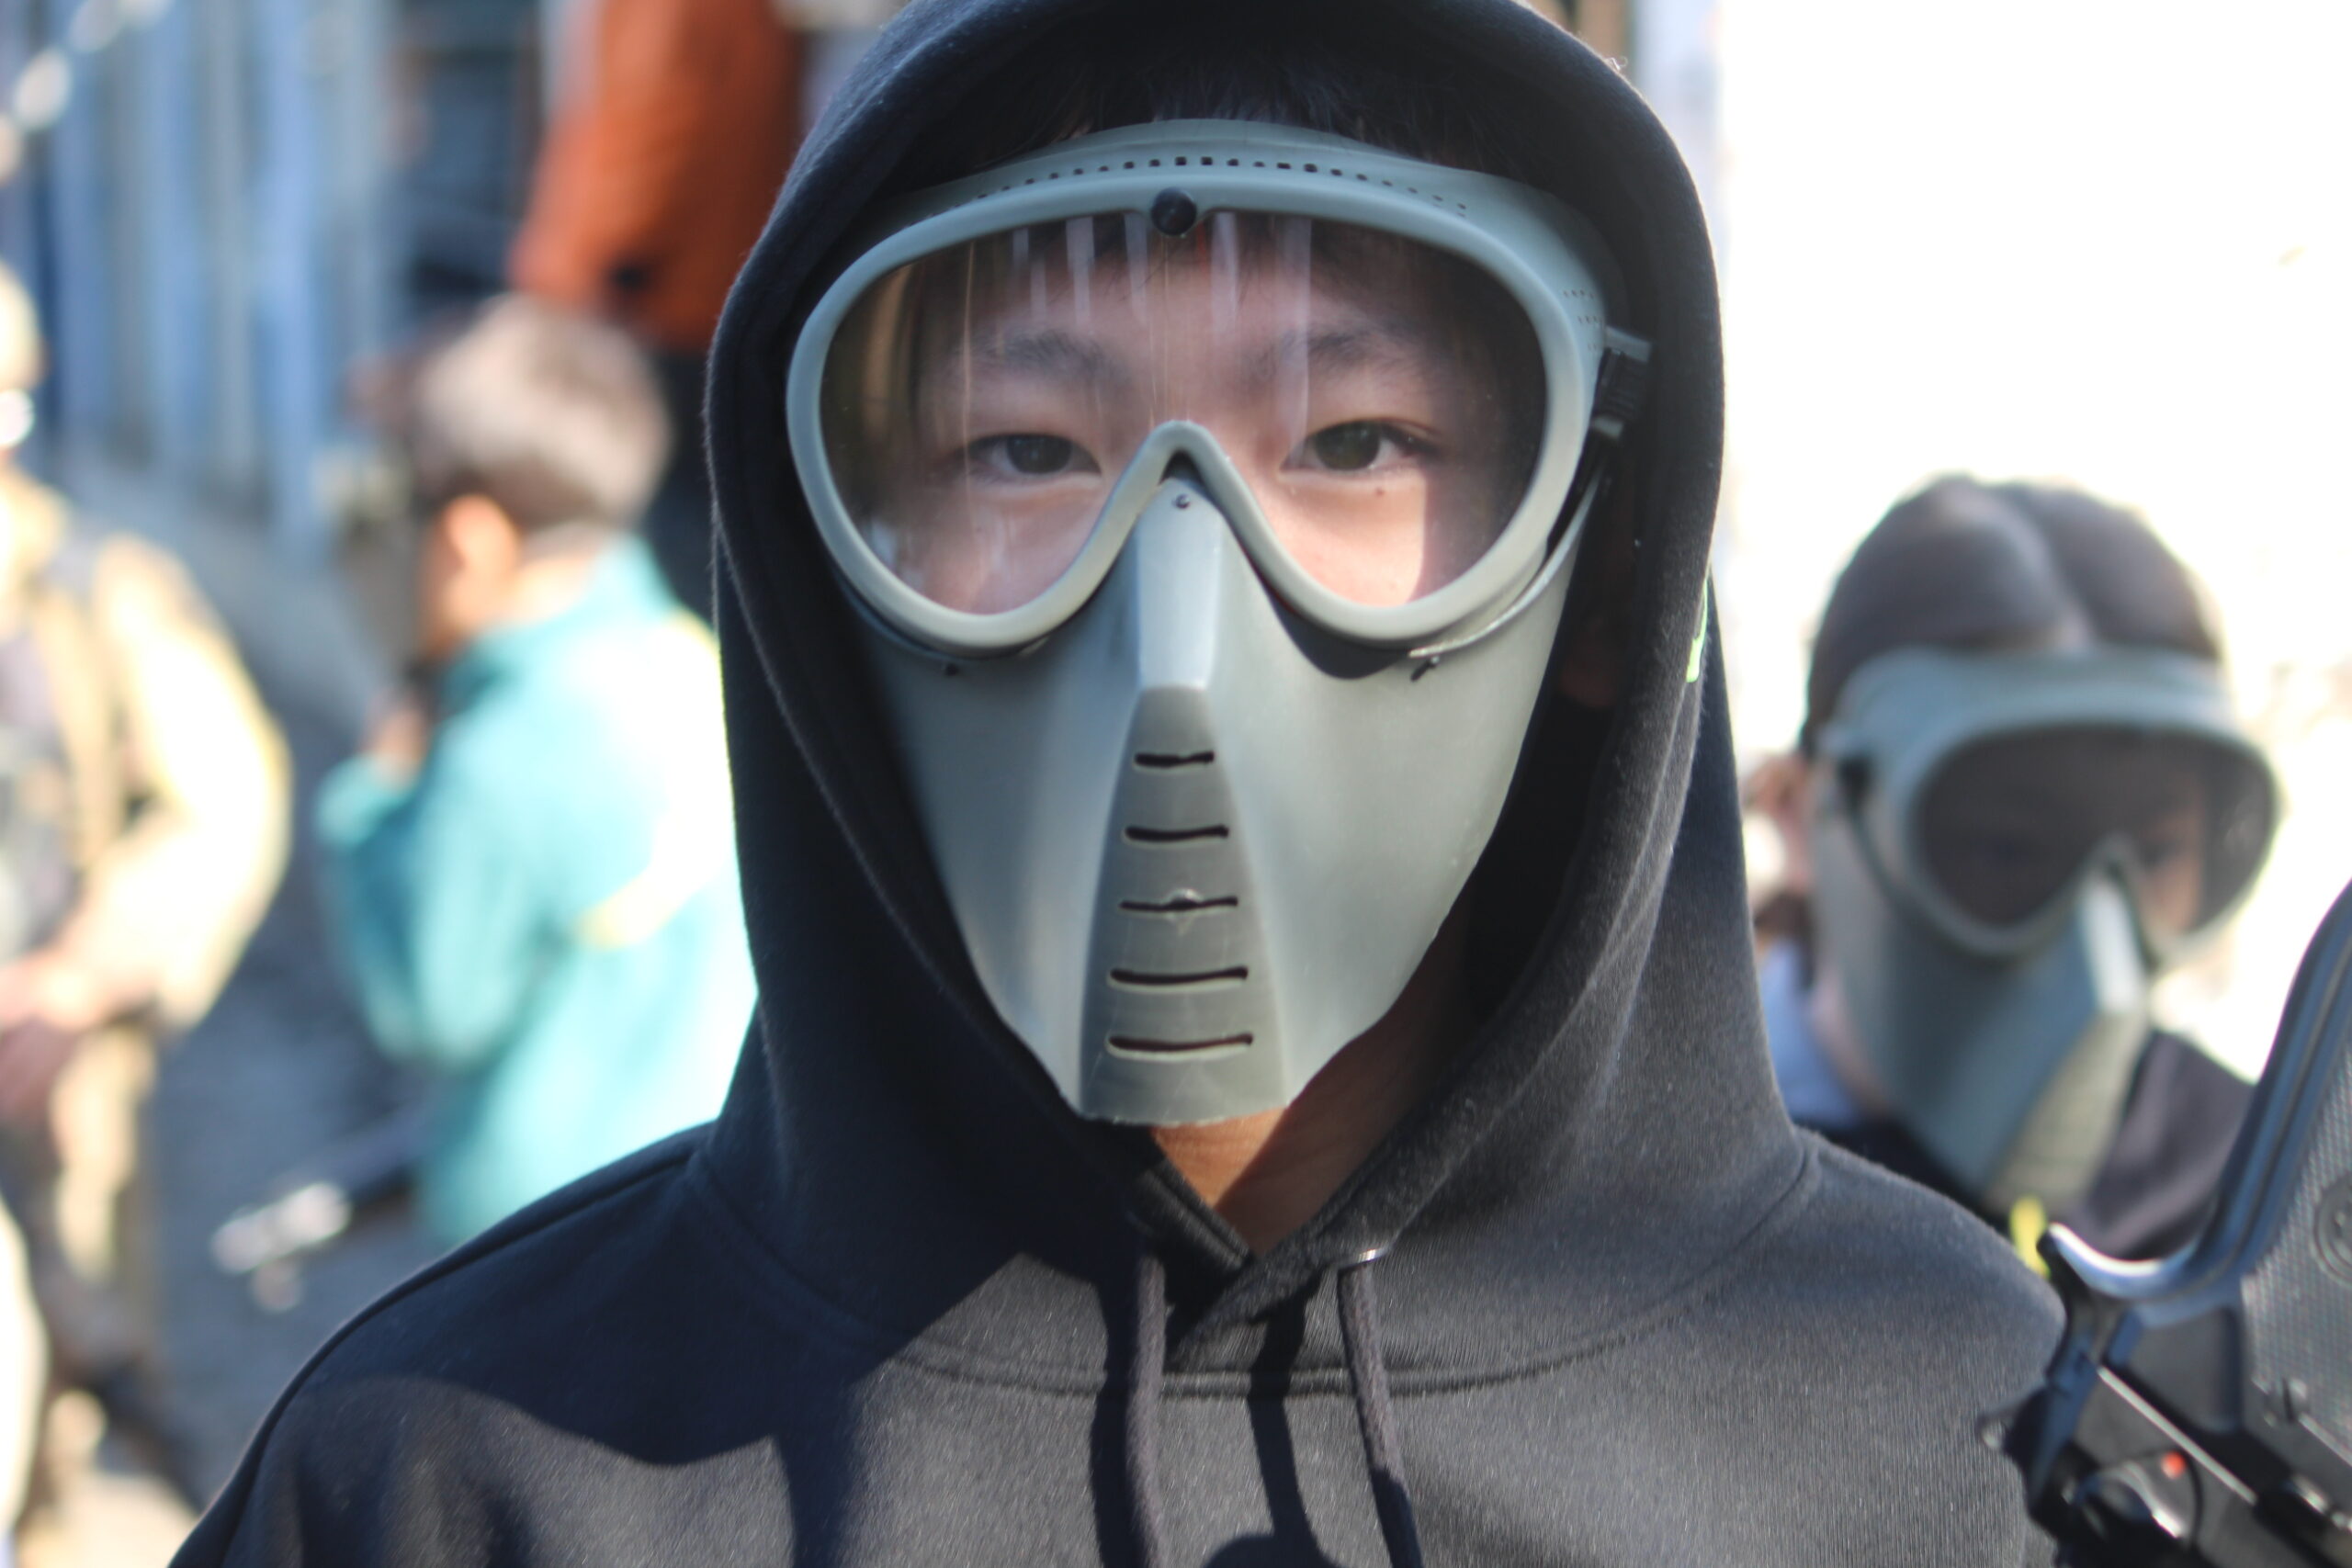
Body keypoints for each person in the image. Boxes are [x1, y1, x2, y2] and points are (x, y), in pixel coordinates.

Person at [175, 6, 2063, 1564]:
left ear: (1605, 551)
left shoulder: (1945, 1437)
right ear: (826, 567)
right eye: (1022, 448)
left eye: (1353, 439)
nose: (1178, 627)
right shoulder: (455, 1478)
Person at [314, 296, 753, 1247]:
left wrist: (372, 797)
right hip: (709, 1196)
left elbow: (430, 1006)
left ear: (469, 545)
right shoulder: (684, 653)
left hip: (550, 1244)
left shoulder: (505, 747)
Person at [1748, 476, 2277, 1263]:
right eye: (2007, 849)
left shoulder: (2252, 1193)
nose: (2099, 956)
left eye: (2155, 854)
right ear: (1801, 816)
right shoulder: (1666, 1203)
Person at [0, 262, 288, 1511]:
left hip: (48, 1092)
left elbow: (223, 808)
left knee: (70, 1405)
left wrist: (75, 979)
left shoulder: (92, 592)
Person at [509, 0, 804, 617]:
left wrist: (609, 269)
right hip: (700, 289)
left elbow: (662, 122)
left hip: (655, 302)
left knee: (659, 524)